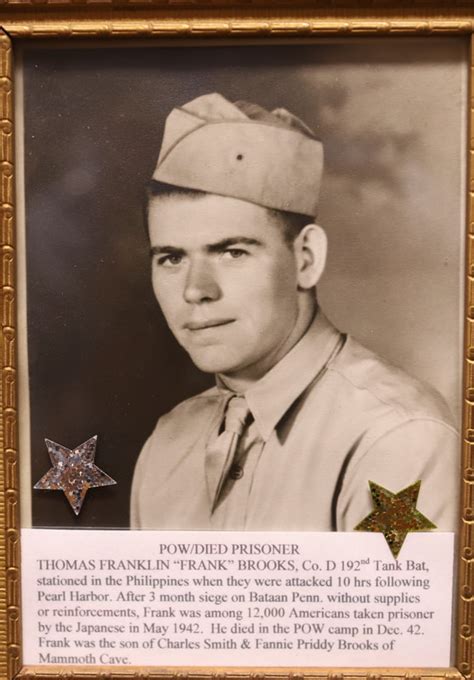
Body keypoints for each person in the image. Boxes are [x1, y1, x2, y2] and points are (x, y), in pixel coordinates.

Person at [130, 93, 458, 532]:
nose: (196, 290)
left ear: (306, 259)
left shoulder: (396, 434)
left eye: (232, 252)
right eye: (172, 258)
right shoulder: (167, 445)